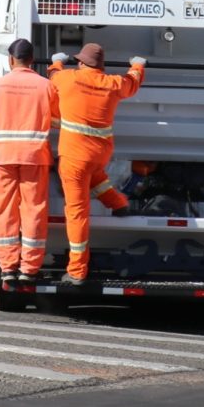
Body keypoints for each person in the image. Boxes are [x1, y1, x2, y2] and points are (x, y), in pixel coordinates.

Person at [48, 43, 146, 285]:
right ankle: (119, 204)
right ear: (100, 65)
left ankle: (77, 270)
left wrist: (56, 61)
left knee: (77, 212)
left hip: (74, 157)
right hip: (100, 153)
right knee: (96, 176)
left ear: (81, 62)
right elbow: (132, 83)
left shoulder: (67, 78)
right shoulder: (113, 83)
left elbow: (53, 76)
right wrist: (138, 64)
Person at [0, 38, 58, 285]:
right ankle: (29, 267)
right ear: (33, 60)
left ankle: (7, 266)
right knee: (34, 209)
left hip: (4, 156)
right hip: (34, 156)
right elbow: (56, 121)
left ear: (10, 60)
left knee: (5, 210)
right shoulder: (46, 86)